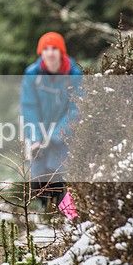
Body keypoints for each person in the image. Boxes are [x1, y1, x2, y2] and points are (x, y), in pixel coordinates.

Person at [21, 31, 83, 209]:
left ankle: (67, 218)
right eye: (46, 49)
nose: (50, 53)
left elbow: (76, 108)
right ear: (41, 53)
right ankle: (45, 216)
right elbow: (29, 107)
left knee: (61, 176)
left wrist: (55, 135)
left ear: (61, 52)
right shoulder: (33, 75)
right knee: (38, 176)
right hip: (38, 134)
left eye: (54, 48)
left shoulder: (74, 75)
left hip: (64, 134)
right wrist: (35, 138)